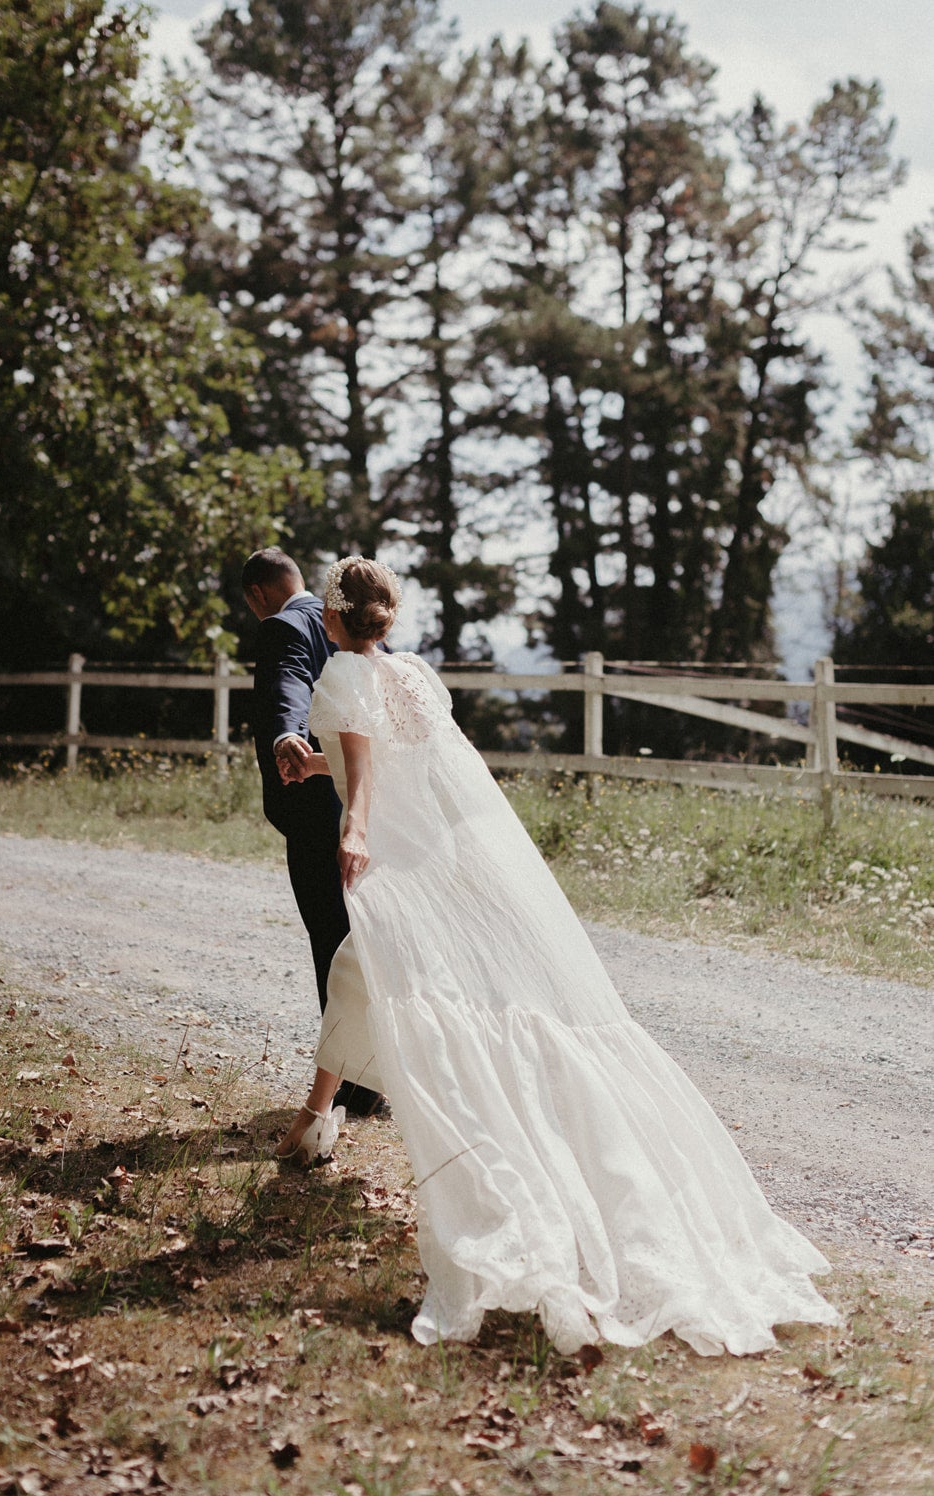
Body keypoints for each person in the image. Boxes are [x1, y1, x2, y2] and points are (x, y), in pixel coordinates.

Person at [274, 555, 840, 1358]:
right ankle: (311, 1121)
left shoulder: (336, 674)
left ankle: (362, 1135)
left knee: (380, 978)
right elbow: (403, 758)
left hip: (399, 859)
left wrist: (355, 829)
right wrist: (317, 761)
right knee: (360, 972)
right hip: (444, 852)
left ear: (331, 615)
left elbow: (368, 769)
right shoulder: (413, 675)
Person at [241, 548, 382, 1117]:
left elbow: (286, 689)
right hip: (369, 811)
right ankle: (371, 1074)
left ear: (257, 596)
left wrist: (284, 738)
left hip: (318, 811)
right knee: (365, 939)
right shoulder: (362, 633)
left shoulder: (282, 627)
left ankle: (353, 1085)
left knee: (332, 939)